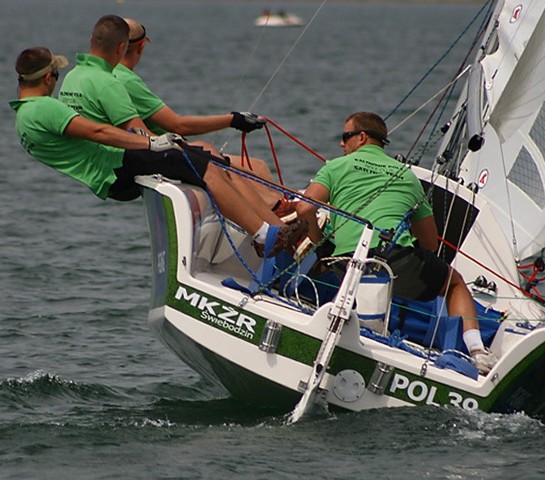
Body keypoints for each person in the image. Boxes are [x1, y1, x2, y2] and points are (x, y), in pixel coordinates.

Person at [10, 47, 307, 258]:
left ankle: (273, 227)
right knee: (206, 167)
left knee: (203, 156)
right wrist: (150, 143)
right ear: (49, 78)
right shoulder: (44, 108)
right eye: (56, 75)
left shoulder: (23, 117)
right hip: (115, 166)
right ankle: (265, 236)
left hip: (108, 174)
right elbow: (97, 132)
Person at [296, 112, 497, 373]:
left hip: (345, 264)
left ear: (362, 137)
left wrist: (316, 236)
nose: (341, 144)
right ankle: (477, 351)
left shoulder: (336, 166)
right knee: (454, 283)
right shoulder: (408, 177)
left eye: (345, 137)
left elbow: (303, 209)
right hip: (396, 264)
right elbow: (430, 244)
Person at [58, 15, 282, 214]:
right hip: (136, 159)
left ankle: (276, 214)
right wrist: (234, 119)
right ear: (140, 46)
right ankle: (275, 218)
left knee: (257, 165)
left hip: (116, 162)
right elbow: (178, 126)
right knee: (217, 162)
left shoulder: (90, 75)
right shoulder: (120, 79)